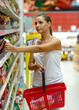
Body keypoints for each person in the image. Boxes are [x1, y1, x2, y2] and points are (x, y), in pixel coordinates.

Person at [4, 13, 63, 110]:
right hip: (37, 84)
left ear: (49, 24)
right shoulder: (34, 43)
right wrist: (36, 66)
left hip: (54, 84)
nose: (37, 25)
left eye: (40, 22)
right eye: (36, 23)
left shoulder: (56, 42)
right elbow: (30, 65)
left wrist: (16, 49)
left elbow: (40, 49)